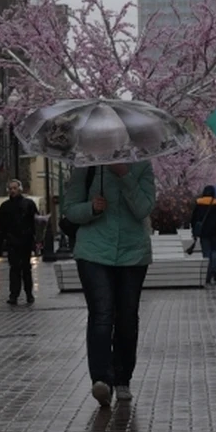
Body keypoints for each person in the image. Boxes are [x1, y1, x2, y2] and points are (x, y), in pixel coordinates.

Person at [62, 162, 155, 407]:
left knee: (126, 317)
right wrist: (91, 208)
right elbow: (70, 209)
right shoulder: (87, 166)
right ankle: (101, 379)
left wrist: (125, 176)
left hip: (133, 253)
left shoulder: (142, 166)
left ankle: (123, 377)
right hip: (94, 251)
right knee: (102, 313)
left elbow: (143, 208)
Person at [0, 179, 39, 305]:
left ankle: (29, 294)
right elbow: (0, 227)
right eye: (10, 188)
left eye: (14, 188)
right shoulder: (5, 207)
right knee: (14, 269)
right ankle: (14, 295)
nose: (12, 191)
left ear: (20, 189)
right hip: (12, 242)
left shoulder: (28, 204)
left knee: (26, 269)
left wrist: (37, 242)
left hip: (26, 241)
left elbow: (36, 223)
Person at [191, 185, 216, 284]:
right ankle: (215, 270)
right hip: (215, 232)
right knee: (214, 251)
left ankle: (208, 273)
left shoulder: (199, 203)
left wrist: (194, 231)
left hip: (203, 232)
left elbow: (194, 219)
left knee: (206, 252)